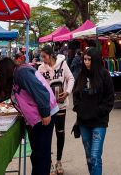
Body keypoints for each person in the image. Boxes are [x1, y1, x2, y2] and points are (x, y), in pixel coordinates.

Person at [0, 57, 60, 175]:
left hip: (43, 115)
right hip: (36, 116)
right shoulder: (16, 75)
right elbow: (4, 94)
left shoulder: (22, 73)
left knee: (41, 153)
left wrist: (45, 113)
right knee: (37, 153)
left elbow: (40, 91)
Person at [73, 48, 114, 175]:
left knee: (95, 155)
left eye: (89, 59)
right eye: (85, 59)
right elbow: (76, 94)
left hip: (99, 122)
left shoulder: (104, 74)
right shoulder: (81, 75)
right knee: (89, 156)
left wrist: (99, 111)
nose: (86, 62)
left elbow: (110, 98)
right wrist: (79, 109)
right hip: (83, 122)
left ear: (95, 60)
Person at [38, 45, 75, 175]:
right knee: (47, 136)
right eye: (41, 57)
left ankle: (59, 161)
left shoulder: (63, 64)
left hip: (61, 106)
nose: (43, 59)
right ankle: (49, 163)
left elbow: (71, 78)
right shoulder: (41, 69)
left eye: (44, 56)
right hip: (47, 108)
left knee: (60, 133)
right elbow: (39, 87)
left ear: (51, 55)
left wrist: (67, 92)